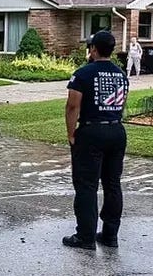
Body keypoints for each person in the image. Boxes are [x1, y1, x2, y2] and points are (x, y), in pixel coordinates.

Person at [62, 31, 129, 250]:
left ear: (93, 49)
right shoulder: (121, 74)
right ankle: (110, 234)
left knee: (86, 185)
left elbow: (73, 106)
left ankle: (85, 236)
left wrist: (71, 133)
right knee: (112, 184)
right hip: (116, 130)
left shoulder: (82, 74)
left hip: (91, 132)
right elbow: (122, 103)